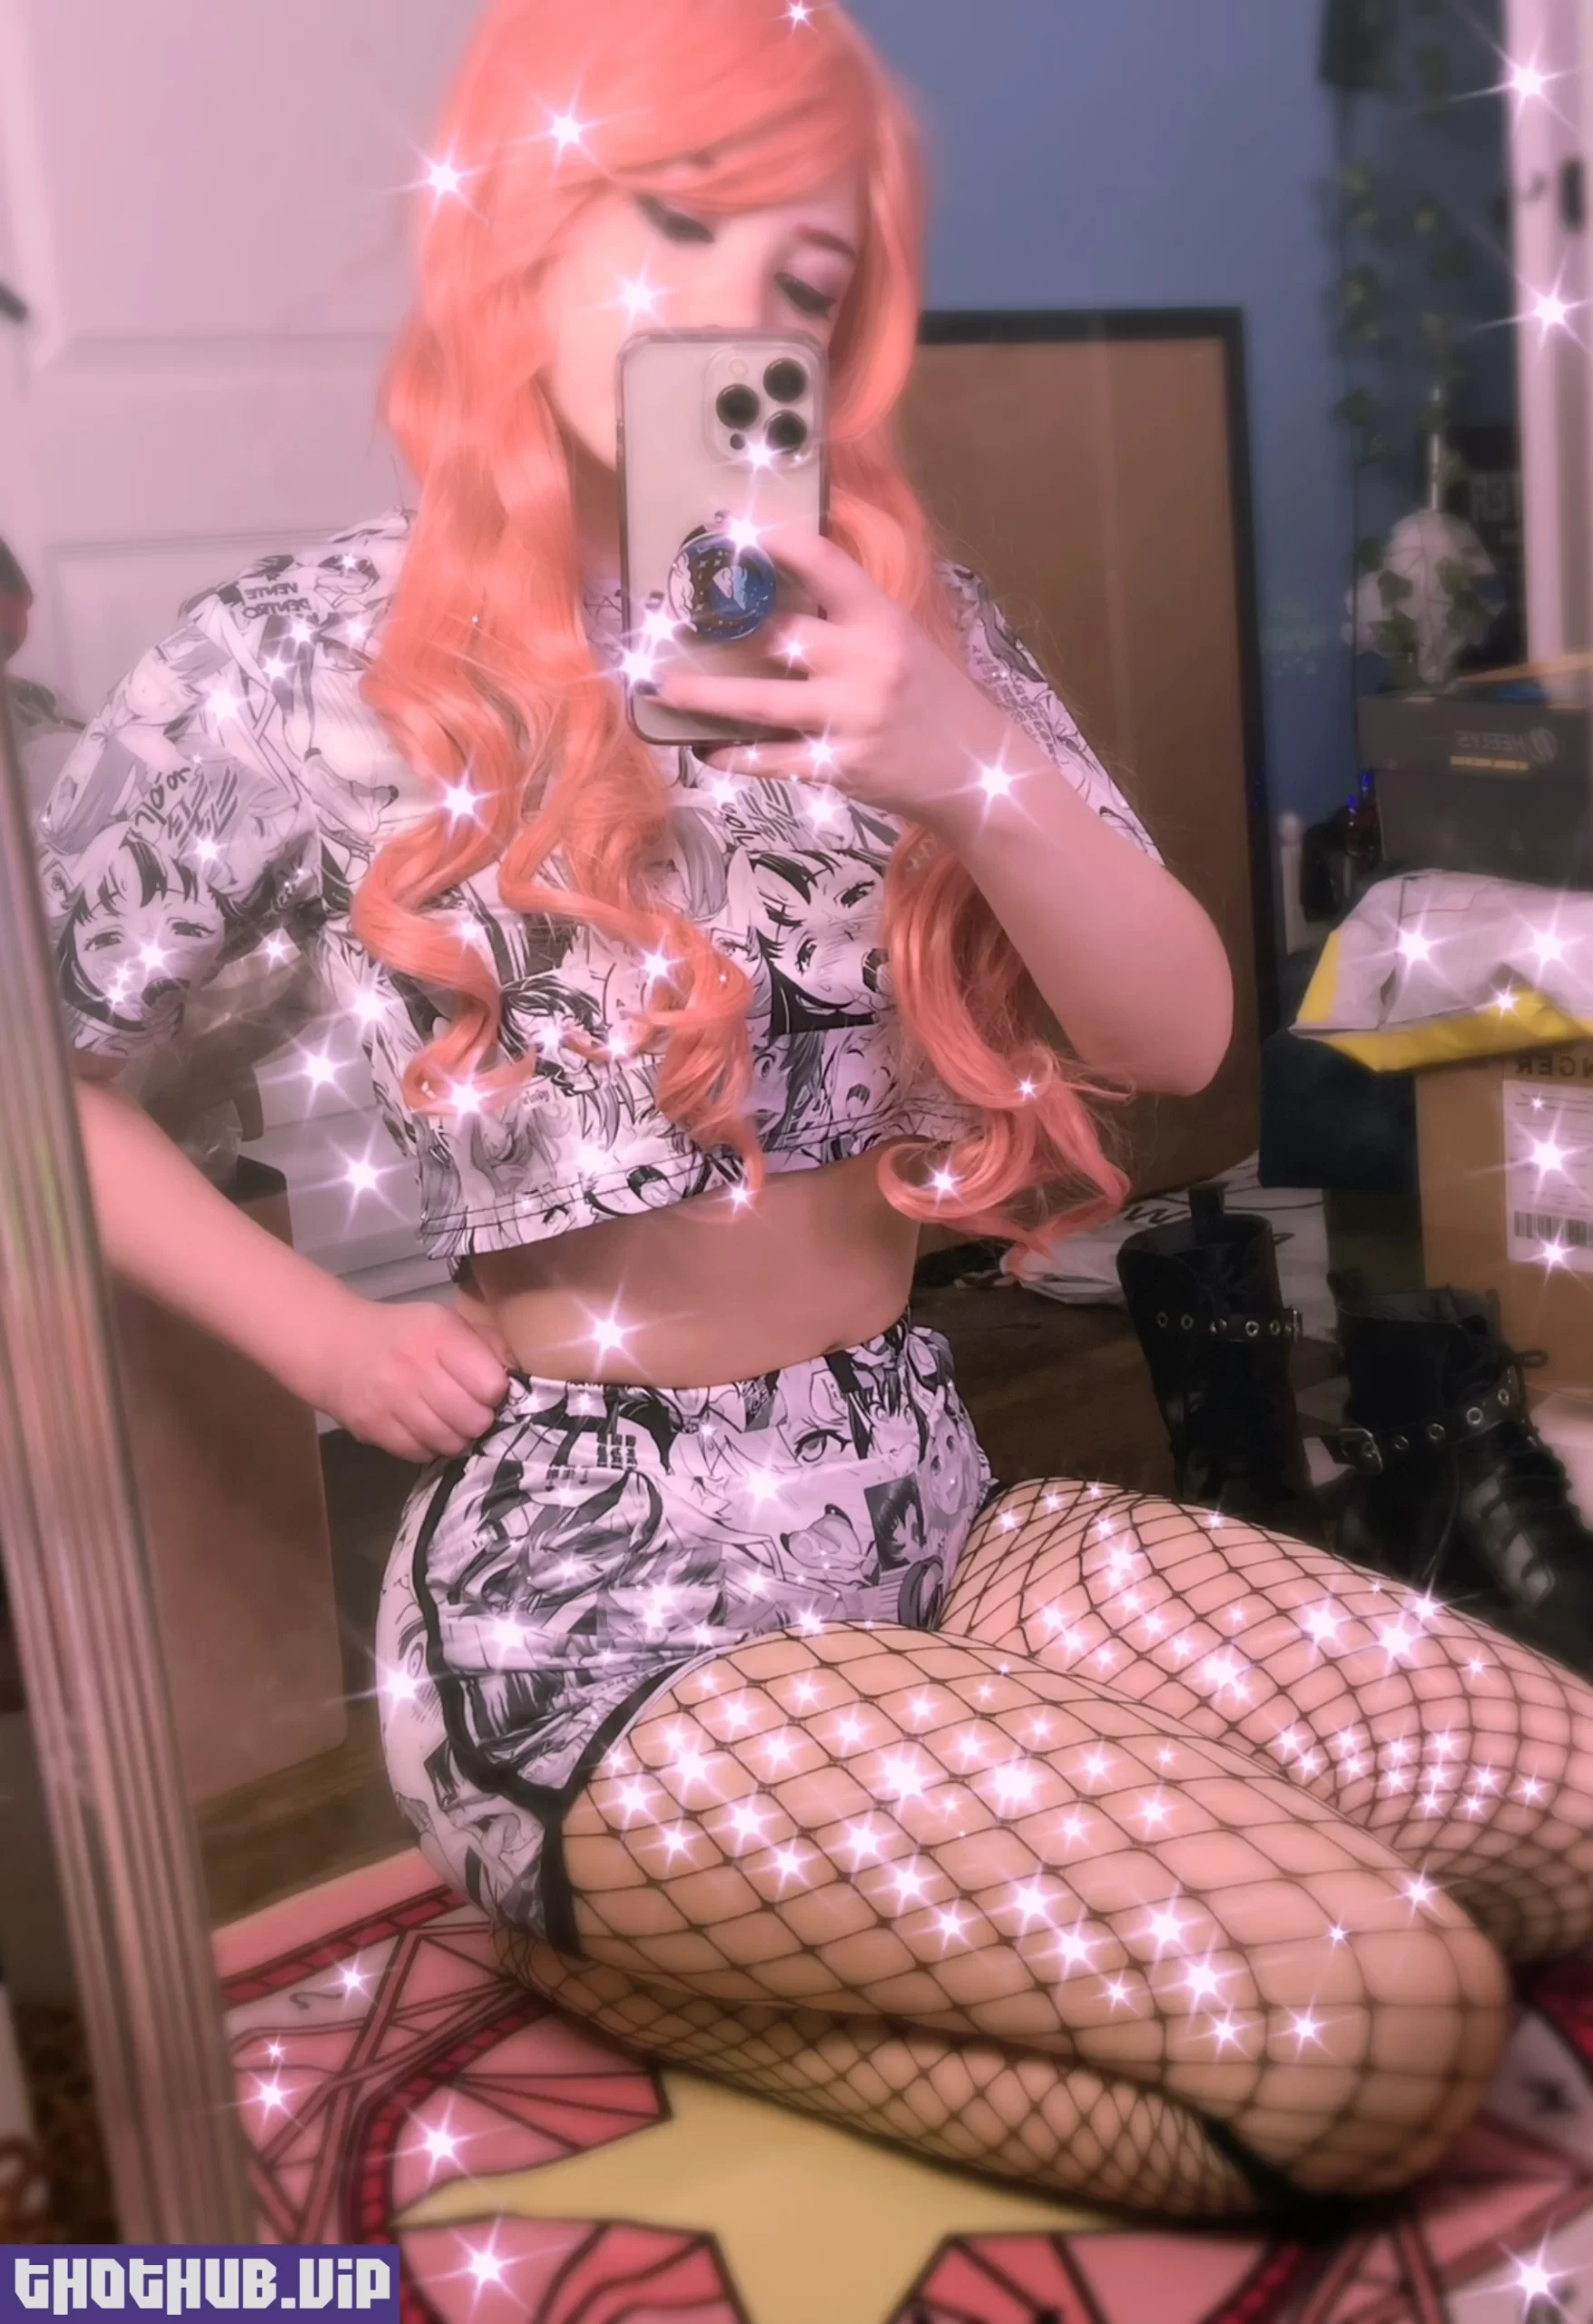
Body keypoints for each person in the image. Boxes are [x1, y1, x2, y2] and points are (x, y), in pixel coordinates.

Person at [35, 0, 1593, 2232]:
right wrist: (322, 1335)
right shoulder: (295, 662)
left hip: (929, 1507)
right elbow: (30, 1068)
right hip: (594, 1598)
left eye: (803, 272)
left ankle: (878, 1880)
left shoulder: (889, 634)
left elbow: (1177, 1037)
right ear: (516, 230)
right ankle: (613, 1929)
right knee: (1389, 2022)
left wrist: (959, 750)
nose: (728, 308)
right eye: (670, 220)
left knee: (1551, 1797)